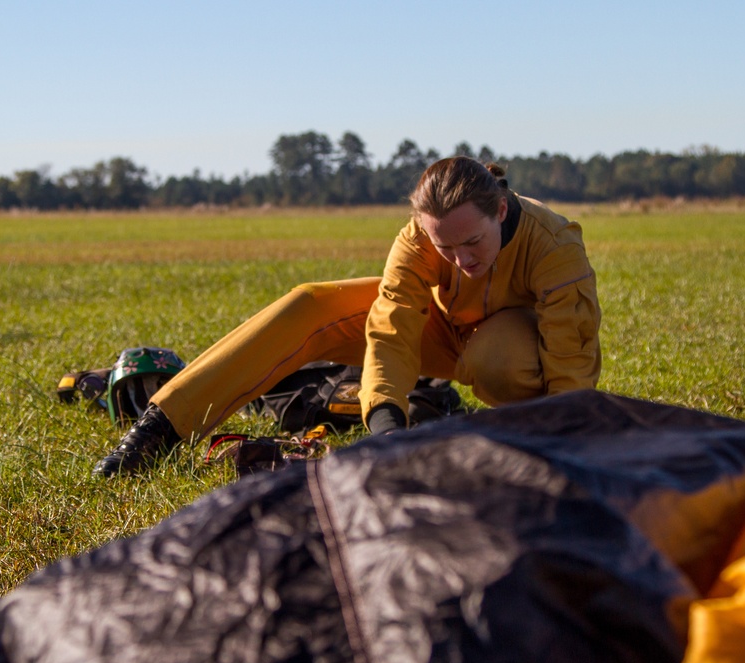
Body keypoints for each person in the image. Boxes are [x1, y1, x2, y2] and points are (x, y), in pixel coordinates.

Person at [93, 156, 602, 477]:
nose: (461, 260)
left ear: (502, 212)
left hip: (510, 347)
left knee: (500, 357)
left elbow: (570, 353)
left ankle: (525, 433)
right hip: (443, 331)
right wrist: (386, 427)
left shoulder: (552, 244)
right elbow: (393, 325)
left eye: (473, 242)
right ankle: (158, 430)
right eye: (445, 246)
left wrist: (569, 443)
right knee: (310, 304)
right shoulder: (419, 239)